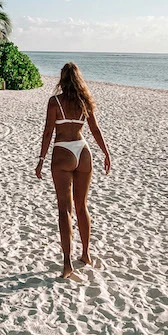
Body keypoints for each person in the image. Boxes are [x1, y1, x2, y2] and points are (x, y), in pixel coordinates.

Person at [35, 62, 111, 278]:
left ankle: (67, 263)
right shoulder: (84, 101)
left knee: (64, 211)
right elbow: (94, 129)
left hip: (63, 152)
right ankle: (86, 254)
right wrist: (106, 153)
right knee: (82, 206)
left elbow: (48, 132)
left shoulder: (54, 101)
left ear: (62, 78)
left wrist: (41, 159)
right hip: (83, 151)